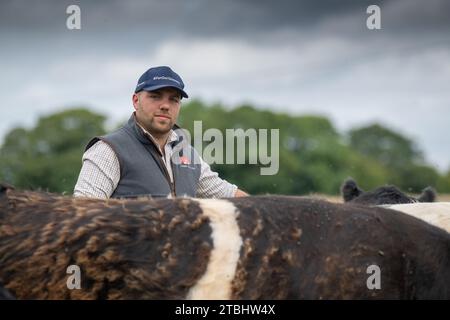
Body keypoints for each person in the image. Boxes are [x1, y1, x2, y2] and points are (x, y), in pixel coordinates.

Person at [74, 66, 248, 199]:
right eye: (155, 96)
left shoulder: (187, 153)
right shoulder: (108, 149)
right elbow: (83, 213)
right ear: (136, 100)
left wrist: (270, 213)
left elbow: (227, 194)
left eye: (174, 99)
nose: (165, 105)